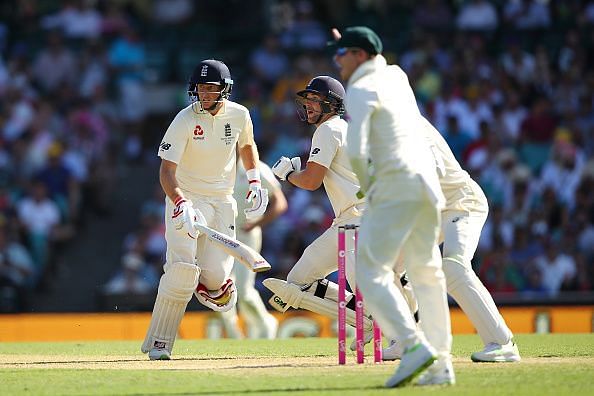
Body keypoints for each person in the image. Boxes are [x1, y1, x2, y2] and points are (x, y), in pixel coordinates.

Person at [331, 26, 453, 387]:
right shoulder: (397, 76)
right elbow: (376, 60)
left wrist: (368, 189)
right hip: (428, 187)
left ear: (360, 56)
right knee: (427, 274)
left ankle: (413, 346)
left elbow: (356, 148)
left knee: (370, 272)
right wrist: (349, 42)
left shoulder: (360, 88)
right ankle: (441, 364)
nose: (337, 62)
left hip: (396, 187)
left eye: (342, 54)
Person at [141, 59, 269, 360]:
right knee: (182, 270)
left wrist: (254, 181)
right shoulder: (184, 119)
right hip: (186, 200)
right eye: (200, 89)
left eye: (211, 89)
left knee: (215, 282)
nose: (205, 96)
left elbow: (247, 146)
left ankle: (213, 286)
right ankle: (160, 343)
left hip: (223, 202)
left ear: (224, 90)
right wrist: (180, 201)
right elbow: (166, 170)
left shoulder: (240, 115)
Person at [383, 117, 521, 363]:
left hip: (462, 204)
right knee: (389, 266)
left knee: (454, 266)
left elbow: (429, 179)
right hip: (432, 213)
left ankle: (502, 343)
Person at [264, 76, 386, 346]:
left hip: (359, 220)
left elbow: (310, 181)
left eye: (315, 99)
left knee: (364, 288)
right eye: (306, 99)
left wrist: (288, 174)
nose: (308, 105)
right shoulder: (347, 130)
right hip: (350, 219)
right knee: (297, 281)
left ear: (332, 104)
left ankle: (392, 333)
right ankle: (365, 322)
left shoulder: (328, 130)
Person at [218, 160, 287, 339]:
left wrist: (256, 223)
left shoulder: (258, 169)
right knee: (219, 289)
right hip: (223, 235)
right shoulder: (218, 166)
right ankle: (234, 336)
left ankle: (265, 324)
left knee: (243, 290)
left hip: (247, 235)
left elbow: (280, 203)